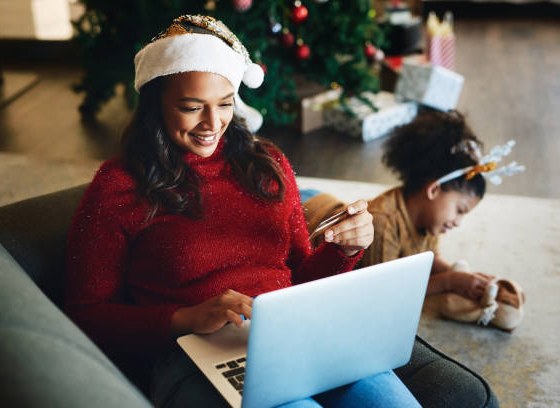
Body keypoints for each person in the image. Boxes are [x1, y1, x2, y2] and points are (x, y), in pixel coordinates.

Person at [63, 14, 431, 408]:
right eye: (191, 107)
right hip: (192, 356)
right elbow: (85, 313)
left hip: (296, 338)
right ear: (155, 104)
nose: (212, 123)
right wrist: (185, 317)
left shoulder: (267, 165)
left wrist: (344, 252)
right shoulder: (119, 186)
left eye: (223, 104)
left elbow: (300, 275)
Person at [303, 110, 522, 310]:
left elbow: (428, 257)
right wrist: (448, 282)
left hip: (324, 202)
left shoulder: (429, 221)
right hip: (308, 212)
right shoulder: (383, 222)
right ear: (434, 190)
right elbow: (385, 292)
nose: (458, 222)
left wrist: (459, 274)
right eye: (459, 210)